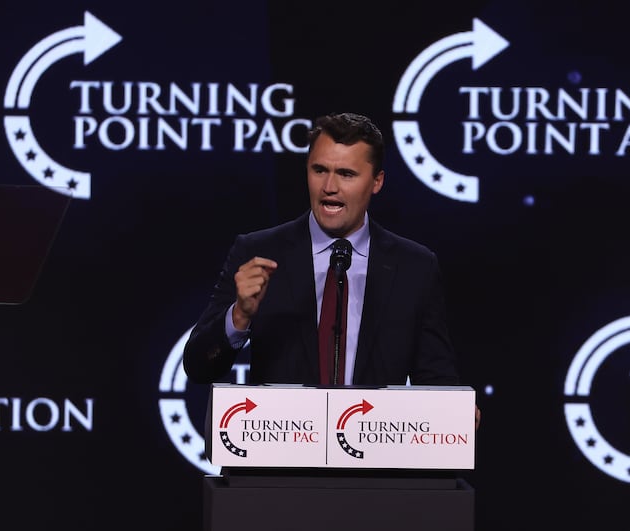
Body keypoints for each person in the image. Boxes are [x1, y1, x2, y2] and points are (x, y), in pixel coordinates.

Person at [182, 111, 480, 429]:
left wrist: (454, 414)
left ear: (376, 181)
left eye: (347, 174)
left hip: (375, 464)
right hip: (278, 466)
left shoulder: (414, 267)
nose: (329, 187)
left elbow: (433, 376)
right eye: (319, 170)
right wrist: (239, 316)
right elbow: (199, 367)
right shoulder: (259, 252)